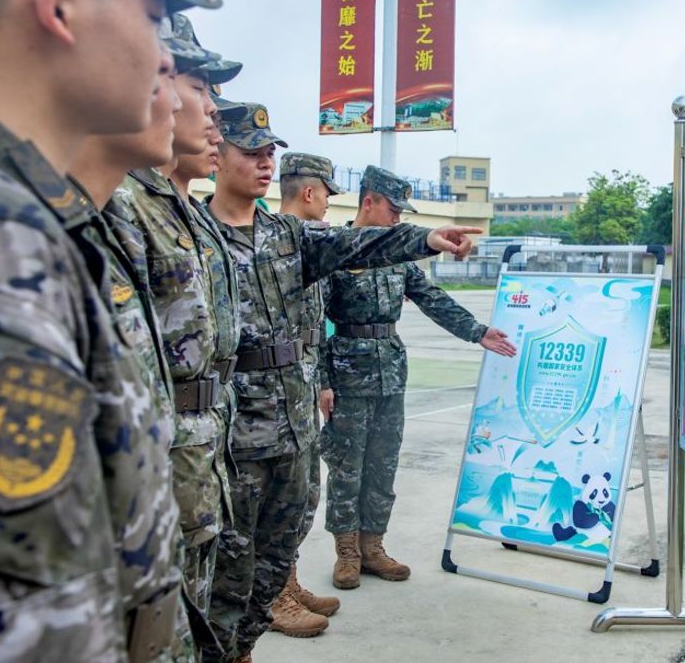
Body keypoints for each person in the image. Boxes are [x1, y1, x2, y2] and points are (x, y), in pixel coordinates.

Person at [0, 0, 220, 660]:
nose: (167, 57)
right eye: (151, 17)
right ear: (59, 4)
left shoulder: (29, 216)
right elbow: (37, 627)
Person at [205, 103, 482, 662]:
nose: (263, 163)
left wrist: (428, 241)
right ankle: (269, 608)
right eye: (252, 153)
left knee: (292, 513)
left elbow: (364, 248)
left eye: (269, 154)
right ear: (217, 156)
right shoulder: (197, 232)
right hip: (235, 411)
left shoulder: (290, 235)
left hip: (294, 401)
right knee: (238, 538)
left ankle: (281, 595)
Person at [102, 13, 244, 652]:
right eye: (196, 84)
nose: (214, 112)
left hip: (197, 458)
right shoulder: (120, 205)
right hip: (161, 469)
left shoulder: (181, 208)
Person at [321, 165, 517, 591]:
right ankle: (347, 551)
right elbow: (311, 321)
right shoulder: (334, 249)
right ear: (368, 201)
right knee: (346, 464)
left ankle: (373, 545)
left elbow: (431, 299)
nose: (397, 218)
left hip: (390, 370)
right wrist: (322, 380)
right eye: (393, 209)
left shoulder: (398, 259)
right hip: (346, 371)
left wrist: (477, 331)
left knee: (383, 463)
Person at [267, 151, 345, 638]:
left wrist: (320, 381)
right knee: (274, 503)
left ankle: (286, 580)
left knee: (302, 498)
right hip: (268, 396)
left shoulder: (309, 246)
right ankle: (272, 596)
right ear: (311, 192)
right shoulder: (275, 244)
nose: (326, 206)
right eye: (325, 196)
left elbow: (312, 328)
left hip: (300, 388)